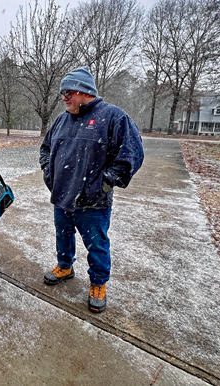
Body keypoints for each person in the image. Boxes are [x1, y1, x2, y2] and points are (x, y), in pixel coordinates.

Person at [39, 67, 144, 313]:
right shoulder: (62, 119)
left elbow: (131, 154)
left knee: (96, 244)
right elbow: (45, 149)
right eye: (62, 93)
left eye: (68, 92)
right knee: (62, 235)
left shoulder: (113, 117)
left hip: (93, 201)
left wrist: (106, 181)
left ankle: (98, 283)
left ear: (84, 91)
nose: (63, 97)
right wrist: (49, 172)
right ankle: (65, 266)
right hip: (62, 195)